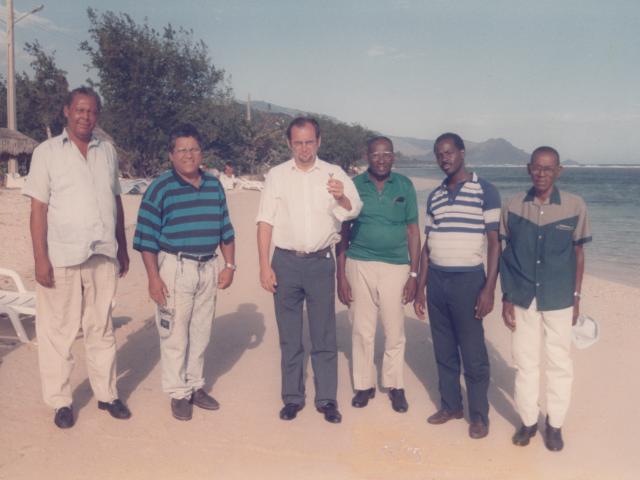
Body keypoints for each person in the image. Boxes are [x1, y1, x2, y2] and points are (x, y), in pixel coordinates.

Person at [23, 86, 131, 429]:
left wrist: (122, 246)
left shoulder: (108, 151)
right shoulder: (47, 152)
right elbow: (38, 208)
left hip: (103, 254)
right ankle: (61, 402)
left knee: (101, 327)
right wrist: (41, 259)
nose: (86, 116)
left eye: (92, 111)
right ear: (67, 112)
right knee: (58, 332)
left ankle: (107, 394)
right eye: (80, 110)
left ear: (98, 115)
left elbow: (114, 201)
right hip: (63, 256)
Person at [257, 117, 362, 424]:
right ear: (290, 143)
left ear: (319, 141)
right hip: (285, 262)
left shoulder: (334, 173)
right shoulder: (277, 176)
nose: (304, 148)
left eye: (309, 142)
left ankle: (327, 399)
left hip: (320, 263)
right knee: (290, 336)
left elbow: (355, 208)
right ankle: (292, 397)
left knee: (324, 334)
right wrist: (264, 265)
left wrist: (340, 195)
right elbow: (265, 221)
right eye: (298, 142)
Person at [133, 124, 236, 421]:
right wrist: (154, 278)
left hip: (208, 267)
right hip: (175, 269)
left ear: (202, 153)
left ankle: (194, 385)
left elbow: (226, 230)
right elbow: (146, 239)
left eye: (194, 149)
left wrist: (229, 266)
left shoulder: (214, 185)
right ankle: (178, 392)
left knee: (201, 331)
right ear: (171, 155)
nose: (189, 155)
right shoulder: (159, 188)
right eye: (182, 149)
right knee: (175, 333)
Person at [500, 146, 591, 451]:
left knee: (559, 363)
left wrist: (576, 296)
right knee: (525, 363)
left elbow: (579, 254)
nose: (541, 174)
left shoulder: (575, 206)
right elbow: (506, 255)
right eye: (537, 168)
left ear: (558, 171)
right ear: (528, 169)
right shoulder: (512, 206)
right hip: (523, 295)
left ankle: (554, 425)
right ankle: (527, 422)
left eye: (548, 168)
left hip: (559, 297)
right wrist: (506, 298)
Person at [413, 132, 500, 439]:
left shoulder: (484, 190)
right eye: (439, 154)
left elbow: (493, 243)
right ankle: (451, 406)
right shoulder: (435, 196)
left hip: (468, 281)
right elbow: (427, 244)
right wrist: (420, 287)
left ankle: (479, 416)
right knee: (444, 350)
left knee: (473, 353)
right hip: (437, 280)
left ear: (462, 153)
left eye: (449, 152)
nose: (444, 158)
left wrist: (489, 288)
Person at [336, 136, 420, 413]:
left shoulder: (405, 186)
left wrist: (414, 273)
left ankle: (395, 385)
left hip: (397, 266)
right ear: (367, 156)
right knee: (362, 330)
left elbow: (412, 231)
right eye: (376, 154)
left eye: (387, 154)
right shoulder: (355, 186)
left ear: (393, 157)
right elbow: (343, 231)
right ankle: (363, 385)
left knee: (395, 330)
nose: (381, 159)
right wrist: (341, 274)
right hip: (359, 264)